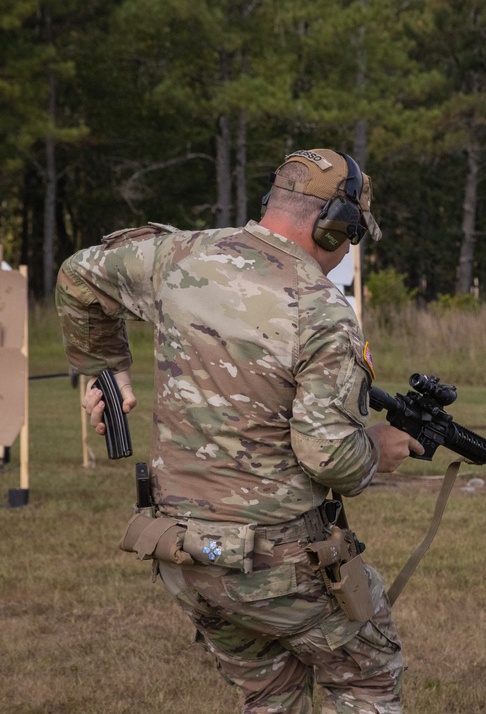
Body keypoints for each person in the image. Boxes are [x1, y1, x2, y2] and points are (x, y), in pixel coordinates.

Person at [55, 148, 423, 714]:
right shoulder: (322, 310)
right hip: (272, 566)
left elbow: (80, 273)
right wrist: (378, 445)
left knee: (270, 697)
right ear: (335, 225)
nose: (350, 249)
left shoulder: (179, 255)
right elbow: (331, 460)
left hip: (181, 554)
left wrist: (106, 371)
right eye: (354, 235)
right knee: (367, 682)